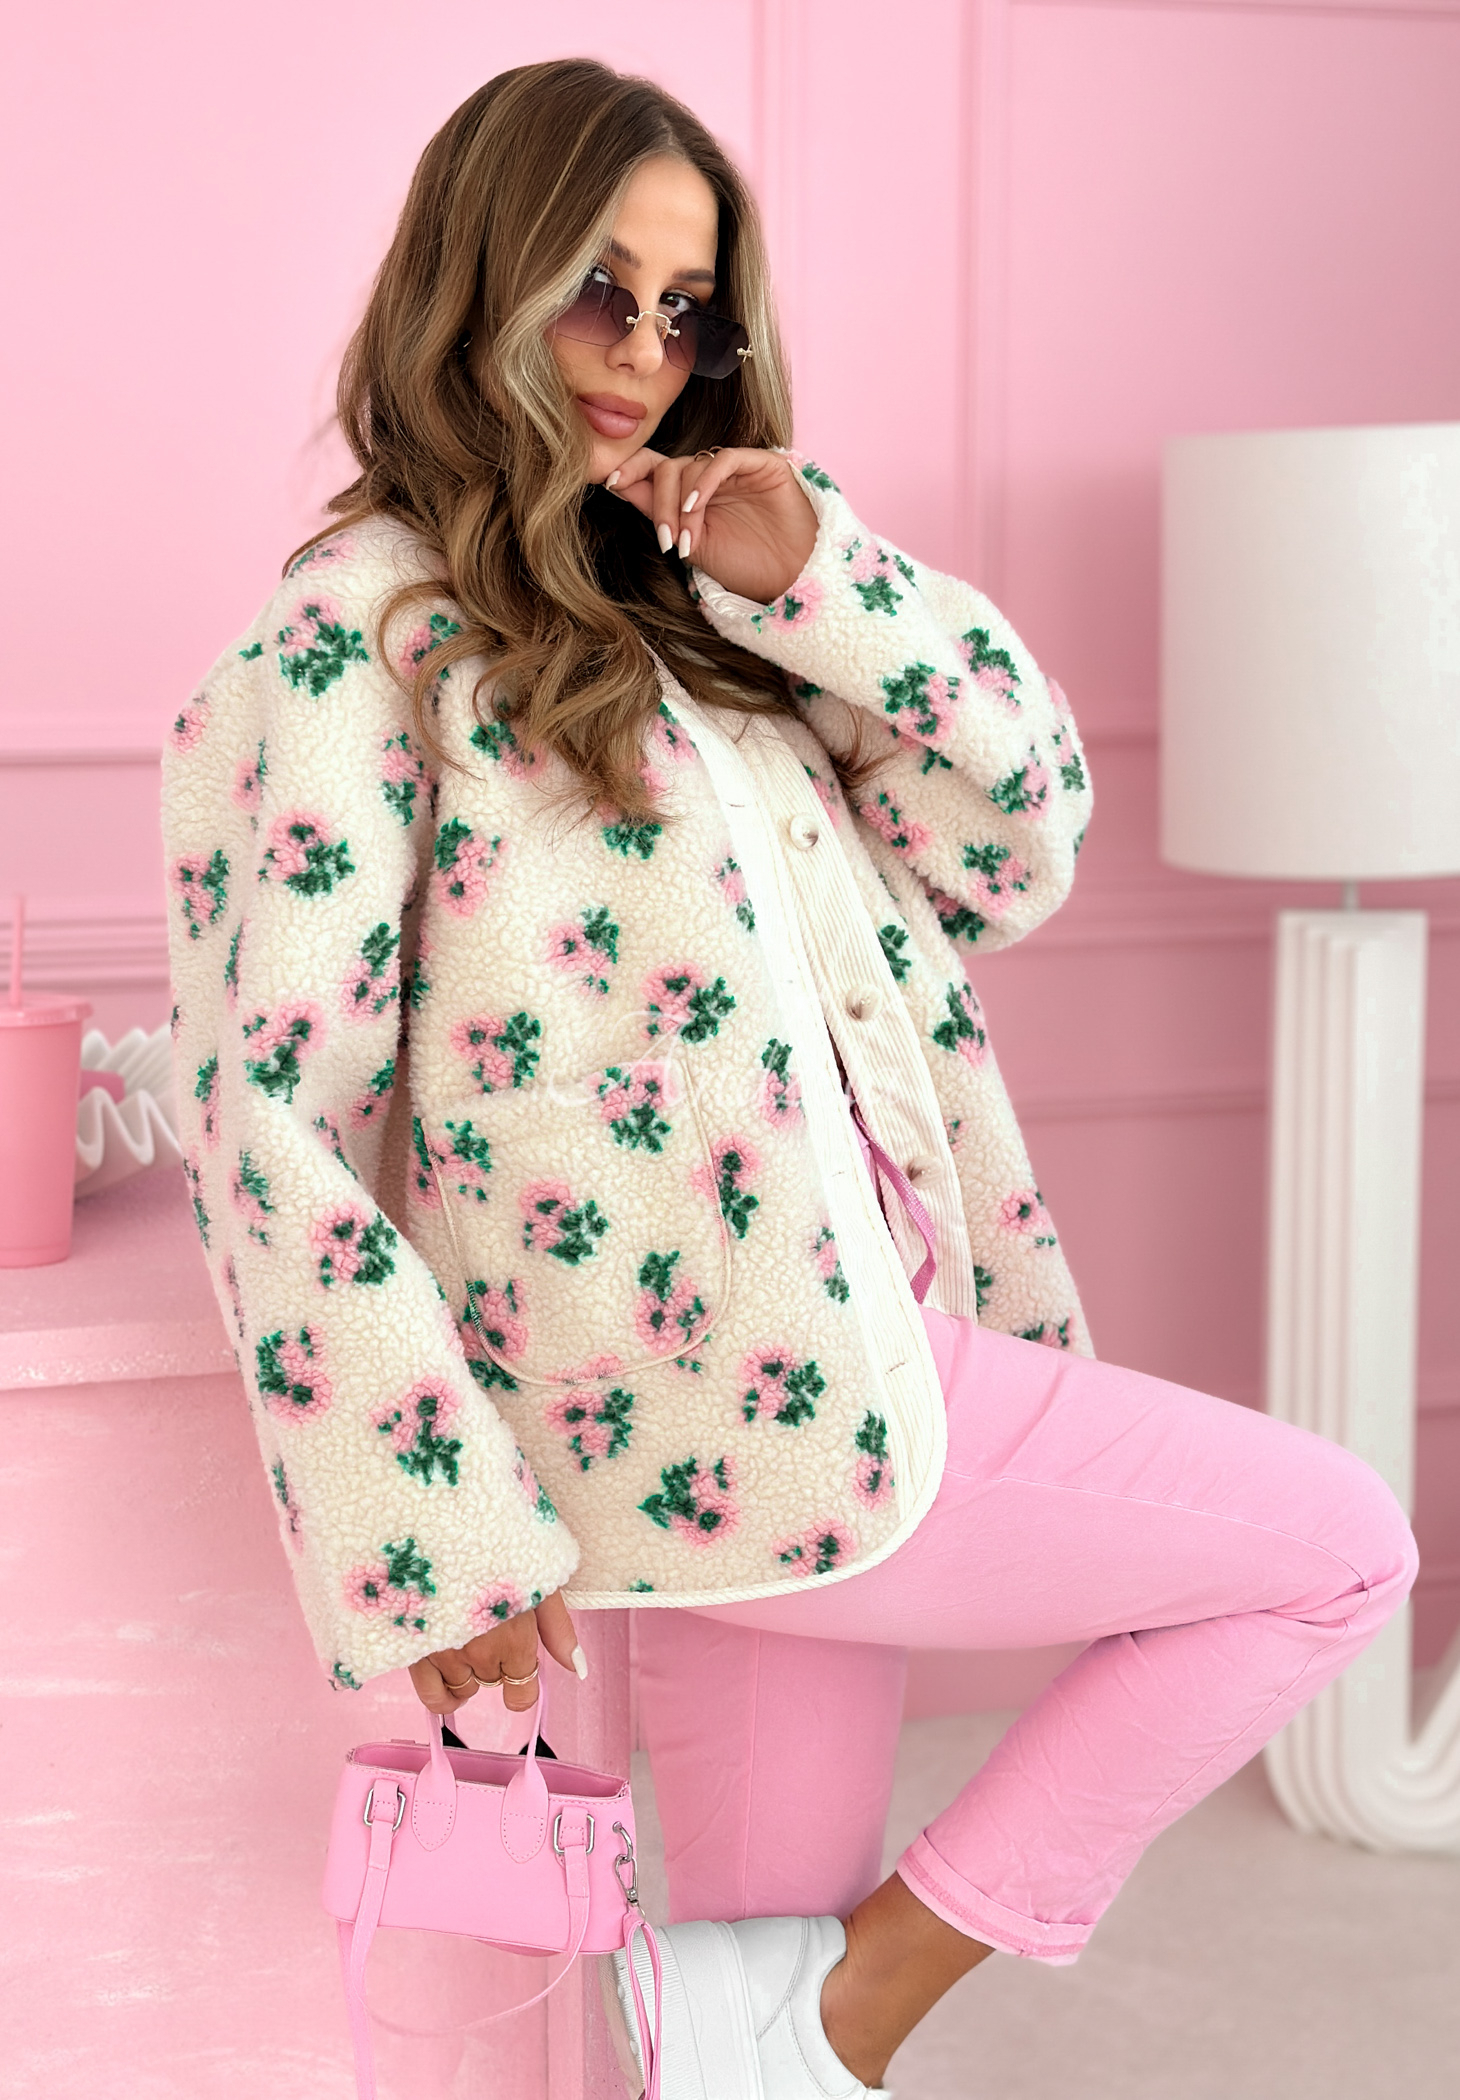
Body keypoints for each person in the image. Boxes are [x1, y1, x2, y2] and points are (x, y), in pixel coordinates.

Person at [161, 58, 1418, 2099]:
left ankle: (793, 2026)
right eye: (599, 285)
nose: (640, 350)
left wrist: (819, 571)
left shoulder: (699, 618)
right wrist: (420, 1525)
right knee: (1339, 1549)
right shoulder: (344, 644)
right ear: (481, 270)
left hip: (845, 1358)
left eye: (687, 311)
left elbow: (1016, 841)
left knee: (747, 2044)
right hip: (728, 1407)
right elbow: (269, 1126)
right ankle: (861, 1998)